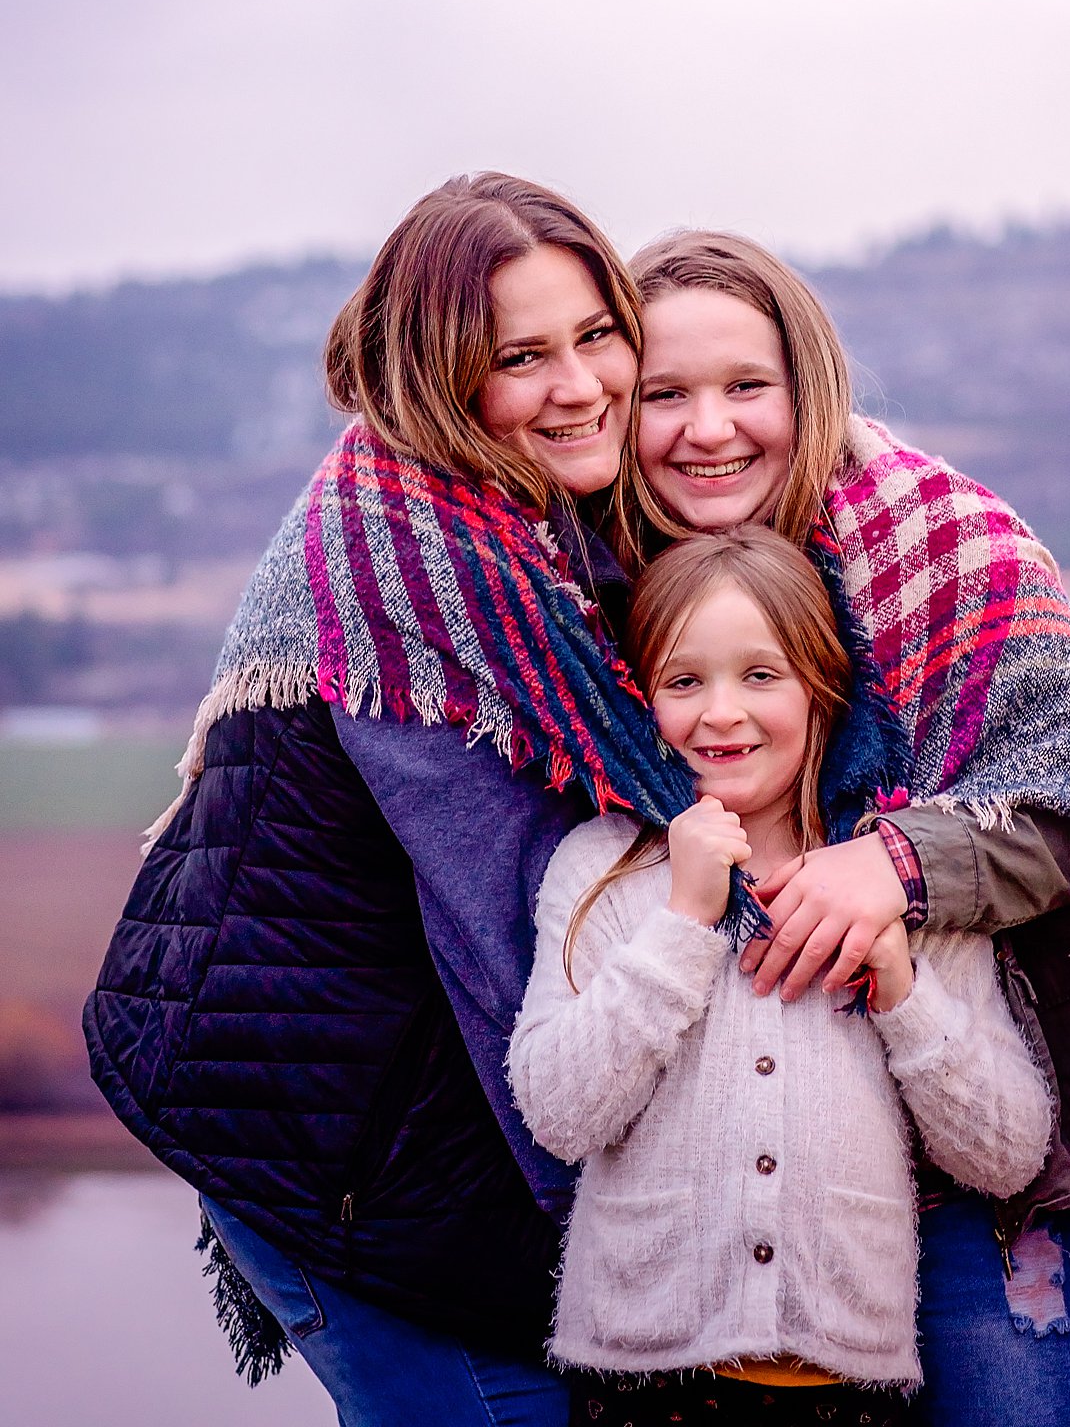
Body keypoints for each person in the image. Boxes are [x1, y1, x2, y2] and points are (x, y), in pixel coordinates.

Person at [84, 173, 704, 1427]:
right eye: (519, 357)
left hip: (363, 1097)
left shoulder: (485, 515)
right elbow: (513, 954)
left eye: (596, 335)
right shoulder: (418, 583)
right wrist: (628, 1255)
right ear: (440, 376)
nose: (579, 384)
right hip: (345, 1151)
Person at [627, 231, 1070, 1427]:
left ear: (809, 384)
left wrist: (893, 861)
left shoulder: (945, 544)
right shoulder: (605, 585)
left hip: (990, 1185)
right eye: (661, 393)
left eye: (746, 385)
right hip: (751, 1190)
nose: (707, 427)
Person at [509, 527, 1051, 1426]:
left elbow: (1005, 1154)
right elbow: (560, 1114)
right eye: (685, 681)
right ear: (639, 701)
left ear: (822, 688)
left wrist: (900, 986)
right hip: (644, 1383)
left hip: (849, 1390)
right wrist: (682, 920)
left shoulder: (897, 877)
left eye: (761, 675)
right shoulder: (600, 868)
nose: (721, 712)